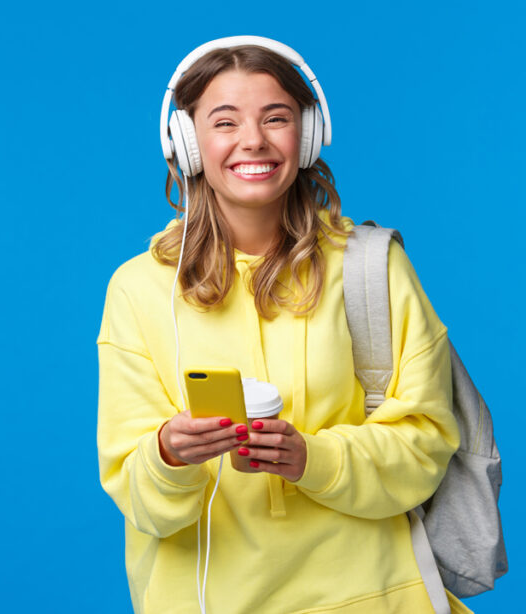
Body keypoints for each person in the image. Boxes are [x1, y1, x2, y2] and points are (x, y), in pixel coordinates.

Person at [96, 37, 471, 614]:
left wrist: (310, 460)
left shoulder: (371, 268)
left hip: (376, 596)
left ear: (309, 133)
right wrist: (169, 455)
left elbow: (426, 444)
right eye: (225, 122)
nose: (254, 141)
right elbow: (141, 500)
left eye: (276, 118)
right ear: (187, 143)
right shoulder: (140, 290)